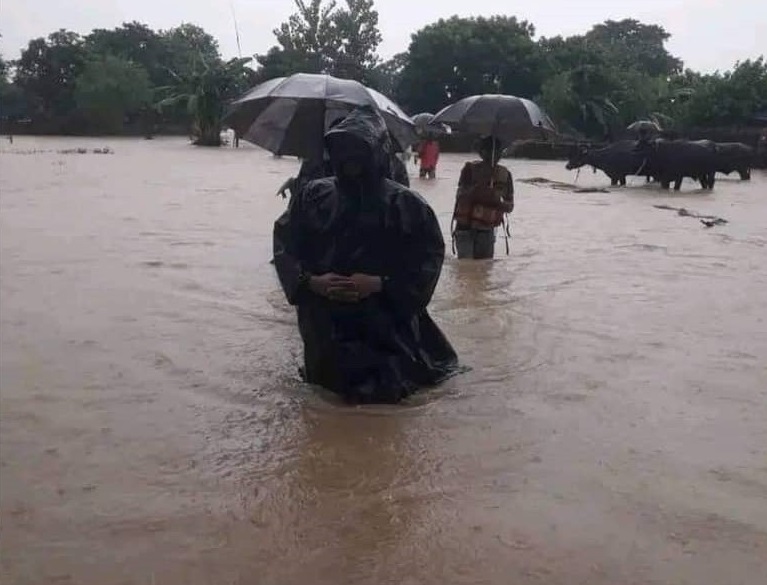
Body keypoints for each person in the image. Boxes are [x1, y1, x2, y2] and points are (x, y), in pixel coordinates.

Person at [273, 106, 460, 404]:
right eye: (342, 150)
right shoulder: (312, 197)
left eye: (358, 150)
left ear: (377, 152)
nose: (349, 160)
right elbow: (285, 246)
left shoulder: (408, 206)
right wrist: (310, 282)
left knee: (386, 407)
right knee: (325, 400)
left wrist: (380, 284)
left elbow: (427, 264)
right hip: (325, 329)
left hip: (386, 332)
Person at [452, 136, 514, 259]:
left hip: (487, 230)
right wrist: (478, 189)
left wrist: (495, 200)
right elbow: (460, 195)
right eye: (488, 151)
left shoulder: (505, 175)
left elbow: (510, 206)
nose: (493, 155)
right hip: (465, 228)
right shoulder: (469, 169)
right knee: (466, 268)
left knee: (483, 269)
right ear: (481, 152)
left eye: (496, 151)